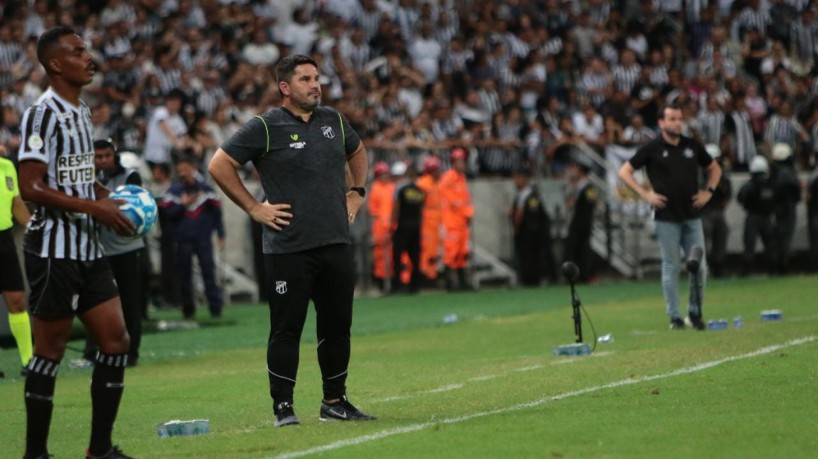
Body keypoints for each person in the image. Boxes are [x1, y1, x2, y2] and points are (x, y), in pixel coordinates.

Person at [207, 54, 375, 427]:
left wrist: (357, 191)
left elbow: (358, 151)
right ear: (285, 88)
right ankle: (283, 407)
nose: (316, 85)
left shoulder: (333, 120)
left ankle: (335, 401)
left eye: (317, 78)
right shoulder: (265, 127)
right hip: (289, 249)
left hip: (334, 242)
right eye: (305, 79)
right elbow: (219, 164)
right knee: (286, 330)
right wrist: (253, 208)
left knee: (337, 326)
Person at [17, 26, 135, 459]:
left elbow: (80, 179)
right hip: (52, 249)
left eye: (87, 48)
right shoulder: (41, 114)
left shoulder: (82, 112)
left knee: (116, 340)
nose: (90, 57)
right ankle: (36, 453)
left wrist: (112, 200)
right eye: (78, 51)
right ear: (55, 64)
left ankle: (99, 449)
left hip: (88, 248)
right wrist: (95, 210)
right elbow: (30, 187)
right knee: (50, 350)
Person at [618, 103, 722, 330]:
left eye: (679, 118)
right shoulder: (652, 148)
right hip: (666, 217)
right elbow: (625, 171)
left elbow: (714, 169)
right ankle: (674, 316)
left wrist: (708, 192)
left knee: (699, 266)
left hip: (692, 215)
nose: (677, 122)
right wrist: (645, 194)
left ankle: (695, 312)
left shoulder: (692, 146)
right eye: (672, 119)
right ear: (661, 123)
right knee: (671, 266)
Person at [81, 139, 145, 367]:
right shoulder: (87, 178)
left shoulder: (130, 177)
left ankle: (132, 353)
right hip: (99, 248)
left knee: (130, 301)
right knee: (94, 301)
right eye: (98, 157)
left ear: (114, 155)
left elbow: (139, 206)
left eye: (106, 156)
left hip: (128, 248)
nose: (102, 161)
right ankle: (91, 352)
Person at [161, 156, 225, 319]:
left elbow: (217, 213)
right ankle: (188, 310)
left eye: (185, 169)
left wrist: (221, 233)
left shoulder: (206, 189)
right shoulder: (173, 192)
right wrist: (183, 204)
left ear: (193, 168)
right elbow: (168, 215)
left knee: (208, 273)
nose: (182, 173)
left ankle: (215, 309)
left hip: (203, 238)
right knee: (184, 276)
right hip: (183, 240)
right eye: (179, 169)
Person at [1, 144, 33, 378]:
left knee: (17, 300)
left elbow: (17, 205)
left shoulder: (7, 166)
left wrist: (35, 229)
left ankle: (28, 361)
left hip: (4, 240)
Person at [439, 146, 474, 291]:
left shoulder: (462, 179)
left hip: (462, 222)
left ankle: (463, 284)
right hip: (452, 222)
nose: (461, 164)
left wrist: (468, 213)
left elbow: (465, 200)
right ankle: (451, 284)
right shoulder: (448, 178)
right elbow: (449, 199)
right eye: (459, 161)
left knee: (462, 253)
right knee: (451, 253)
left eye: (463, 161)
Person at [510, 167, 552, 286]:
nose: (515, 181)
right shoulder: (522, 195)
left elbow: (527, 214)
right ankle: (527, 279)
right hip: (526, 233)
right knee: (525, 257)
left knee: (531, 257)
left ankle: (532, 280)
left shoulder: (530, 195)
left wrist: (517, 226)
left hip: (530, 233)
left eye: (517, 178)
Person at [737, 156, 777, 277]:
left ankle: (747, 270)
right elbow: (776, 199)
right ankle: (773, 269)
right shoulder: (770, 184)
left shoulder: (750, 185)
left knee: (749, 244)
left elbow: (740, 197)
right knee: (770, 244)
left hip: (753, 216)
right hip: (766, 217)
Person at [390, 161, 425, 293]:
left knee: (397, 256)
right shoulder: (419, 189)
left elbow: (396, 207)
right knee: (415, 257)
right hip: (416, 225)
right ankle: (415, 286)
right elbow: (421, 209)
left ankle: (397, 286)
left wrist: (392, 224)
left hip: (403, 225)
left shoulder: (401, 187)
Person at [564, 154, 598, 284]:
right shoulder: (575, 186)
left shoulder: (588, 187)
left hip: (583, 222)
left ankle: (585, 275)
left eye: (575, 168)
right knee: (574, 249)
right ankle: (575, 275)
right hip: (575, 221)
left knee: (583, 249)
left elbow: (590, 204)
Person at [700, 144, 733, 278]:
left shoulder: (722, 176)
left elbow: (728, 194)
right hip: (704, 212)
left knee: (721, 235)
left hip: (718, 211)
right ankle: (702, 267)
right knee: (702, 239)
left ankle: (718, 266)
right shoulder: (700, 175)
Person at [769, 143, 801, 275]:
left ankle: (777, 265)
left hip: (778, 208)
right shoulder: (788, 173)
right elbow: (796, 193)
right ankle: (783, 266)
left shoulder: (776, 173)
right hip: (788, 209)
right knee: (785, 239)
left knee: (778, 238)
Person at [367, 161, 394, 292]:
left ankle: (392, 281)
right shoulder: (375, 188)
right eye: (382, 174)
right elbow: (373, 211)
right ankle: (381, 282)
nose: (385, 176)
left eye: (386, 174)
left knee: (392, 254)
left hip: (392, 223)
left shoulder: (392, 187)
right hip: (379, 225)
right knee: (380, 254)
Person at [416, 155, 443, 284]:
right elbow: (419, 204)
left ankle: (433, 274)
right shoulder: (423, 183)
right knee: (427, 248)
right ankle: (426, 275)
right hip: (427, 219)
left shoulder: (437, 182)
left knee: (434, 248)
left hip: (436, 219)